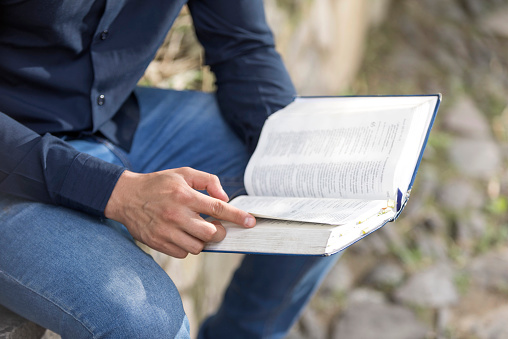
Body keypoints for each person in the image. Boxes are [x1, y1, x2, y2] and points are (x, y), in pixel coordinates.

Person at [0, 1, 339, 338]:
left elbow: (242, 46)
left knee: (326, 184)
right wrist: (114, 191)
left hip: (115, 120)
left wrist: (286, 149)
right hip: (12, 169)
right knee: (146, 325)